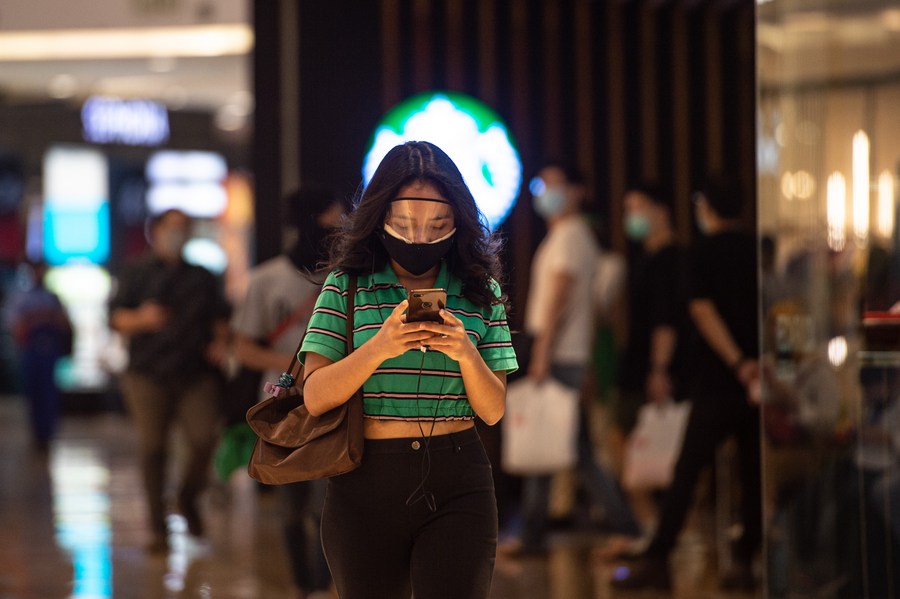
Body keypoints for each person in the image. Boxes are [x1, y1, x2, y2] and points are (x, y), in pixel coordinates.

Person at [298, 141, 518, 599]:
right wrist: (379, 347)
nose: (419, 239)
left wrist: (465, 352)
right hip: (364, 481)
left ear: (457, 222)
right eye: (404, 225)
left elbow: (493, 410)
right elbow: (315, 396)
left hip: (459, 475)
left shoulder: (480, 291)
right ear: (379, 218)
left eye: (437, 225)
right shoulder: (348, 285)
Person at [612, 176, 761, 592]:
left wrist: (737, 362)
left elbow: (701, 311)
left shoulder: (700, 253)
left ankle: (659, 557)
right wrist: (754, 366)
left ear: (706, 208)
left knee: (687, 469)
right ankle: (747, 559)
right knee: (752, 471)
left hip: (718, 378)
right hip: (756, 380)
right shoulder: (758, 250)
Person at [513, 162, 642, 556]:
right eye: (542, 184)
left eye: (555, 184)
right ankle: (538, 533)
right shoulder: (567, 235)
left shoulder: (570, 235)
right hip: (564, 353)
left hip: (560, 354)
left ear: (577, 192)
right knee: (563, 446)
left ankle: (627, 529)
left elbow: (561, 295)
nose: (545, 191)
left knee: (566, 448)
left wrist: (542, 352)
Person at [230, 186, 346, 599]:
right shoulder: (267, 279)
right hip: (286, 403)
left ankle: (318, 584)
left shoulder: (347, 277)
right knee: (291, 505)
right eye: (332, 215)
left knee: (323, 504)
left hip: (335, 400)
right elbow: (243, 346)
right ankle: (302, 583)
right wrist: (289, 368)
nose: (339, 224)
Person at [109, 208, 231, 554]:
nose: (178, 234)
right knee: (152, 448)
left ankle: (187, 498)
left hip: (196, 374)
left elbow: (221, 317)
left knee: (204, 439)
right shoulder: (136, 272)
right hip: (147, 374)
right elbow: (115, 318)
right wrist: (142, 318)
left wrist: (221, 343)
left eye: (185, 228)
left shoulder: (204, 277)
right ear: (156, 231)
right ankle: (157, 528)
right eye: (172, 228)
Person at [5, 259, 72, 453]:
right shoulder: (21, 298)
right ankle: (37, 434)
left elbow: (64, 324)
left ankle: (48, 433)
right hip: (31, 353)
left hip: (49, 353)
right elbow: (15, 327)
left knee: (49, 394)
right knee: (34, 394)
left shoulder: (53, 298)